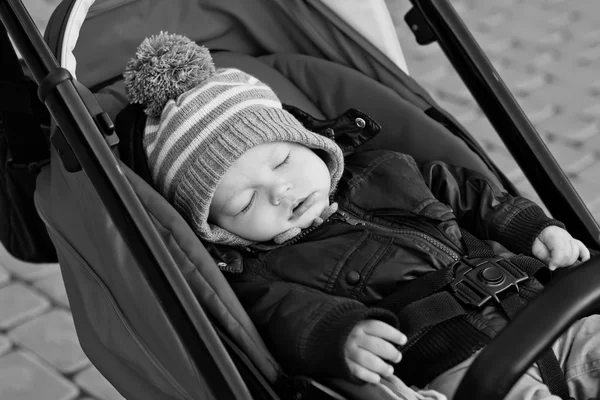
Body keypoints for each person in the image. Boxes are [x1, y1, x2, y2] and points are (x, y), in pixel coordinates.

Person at [123, 32, 595, 400]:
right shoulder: (261, 273)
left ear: (312, 142)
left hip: (542, 308)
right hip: (454, 364)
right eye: (246, 203)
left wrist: (532, 227)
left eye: (283, 161)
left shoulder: (387, 169)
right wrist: (341, 335)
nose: (280, 191)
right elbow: (286, 319)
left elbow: (468, 192)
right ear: (220, 230)